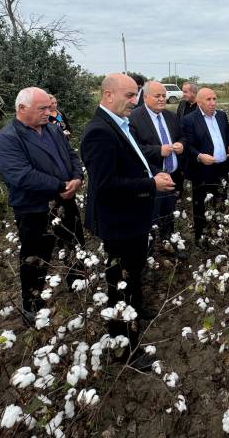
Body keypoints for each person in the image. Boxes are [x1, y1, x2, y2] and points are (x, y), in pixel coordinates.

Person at [81, 73, 174, 369]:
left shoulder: (119, 124)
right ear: (108, 95)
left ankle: (134, 311)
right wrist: (150, 185)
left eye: (136, 95)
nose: (134, 102)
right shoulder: (100, 132)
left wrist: (150, 176)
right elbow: (105, 186)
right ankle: (125, 349)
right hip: (120, 224)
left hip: (132, 219)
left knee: (131, 275)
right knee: (118, 284)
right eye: (129, 95)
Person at [0, 87, 84, 321]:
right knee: (36, 256)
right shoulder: (7, 138)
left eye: (50, 107)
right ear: (21, 109)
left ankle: (77, 281)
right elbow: (21, 175)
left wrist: (77, 177)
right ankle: (32, 305)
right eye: (42, 108)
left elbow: (71, 155)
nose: (49, 112)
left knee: (74, 241)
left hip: (66, 199)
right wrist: (60, 186)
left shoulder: (52, 129)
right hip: (34, 207)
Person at [130, 81, 185, 254]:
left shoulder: (170, 116)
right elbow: (133, 149)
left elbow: (182, 137)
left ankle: (169, 242)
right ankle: (149, 250)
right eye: (157, 96)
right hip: (151, 179)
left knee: (169, 213)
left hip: (172, 175)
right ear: (145, 97)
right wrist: (158, 150)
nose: (162, 99)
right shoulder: (134, 118)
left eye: (163, 95)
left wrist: (181, 145)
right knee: (151, 216)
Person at [181, 87, 229, 247]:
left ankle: (218, 230)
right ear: (199, 102)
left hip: (222, 167)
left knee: (220, 199)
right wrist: (199, 156)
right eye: (208, 100)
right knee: (200, 204)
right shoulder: (189, 120)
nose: (213, 103)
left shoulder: (222, 116)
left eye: (214, 99)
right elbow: (187, 146)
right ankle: (201, 237)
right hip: (202, 170)